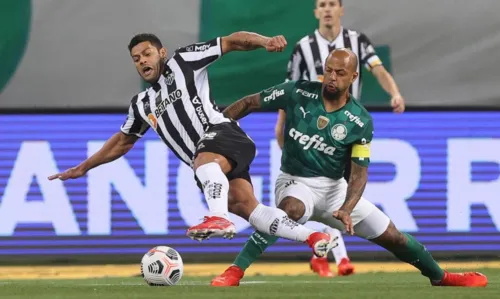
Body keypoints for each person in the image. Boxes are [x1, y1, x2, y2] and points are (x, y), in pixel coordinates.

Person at [210, 48, 488, 288]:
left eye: (340, 72)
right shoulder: (297, 92)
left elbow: (359, 173)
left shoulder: (359, 120)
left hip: (335, 191)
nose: (332, 76)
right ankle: (234, 271)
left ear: (353, 77)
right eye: (328, 70)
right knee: (290, 211)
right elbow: (248, 102)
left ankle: (441, 277)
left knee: (394, 237)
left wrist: (346, 206)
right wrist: (215, 133)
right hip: (295, 181)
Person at [47, 32, 337, 257]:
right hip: (210, 163)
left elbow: (231, 41)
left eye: (147, 54)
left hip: (223, 135)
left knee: (204, 161)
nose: (143, 61)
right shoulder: (141, 104)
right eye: (136, 59)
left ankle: (218, 217)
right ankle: (313, 237)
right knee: (251, 210)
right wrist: (83, 167)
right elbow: (122, 142)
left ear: (161, 52)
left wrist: (264, 42)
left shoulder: (183, 61)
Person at [275, 0, 406, 276]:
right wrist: (281, 126)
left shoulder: (356, 42)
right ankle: (338, 256)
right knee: (324, 190)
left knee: (335, 192)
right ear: (315, 11)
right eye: (322, 4)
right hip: (310, 131)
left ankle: (327, 254)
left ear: (341, 9)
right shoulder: (303, 47)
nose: (327, 9)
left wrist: (393, 92)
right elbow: (289, 91)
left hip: (346, 131)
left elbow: (378, 69)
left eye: (332, 3)